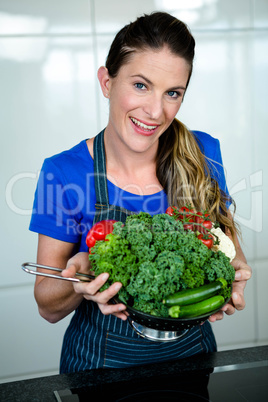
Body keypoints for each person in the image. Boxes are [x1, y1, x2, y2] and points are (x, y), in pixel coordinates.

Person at [30, 11, 252, 373]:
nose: (154, 111)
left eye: (172, 93)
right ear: (107, 81)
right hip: (100, 367)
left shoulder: (203, 152)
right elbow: (46, 305)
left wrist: (234, 267)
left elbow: (223, 238)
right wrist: (79, 282)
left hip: (193, 360)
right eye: (140, 85)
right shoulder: (64, 172)